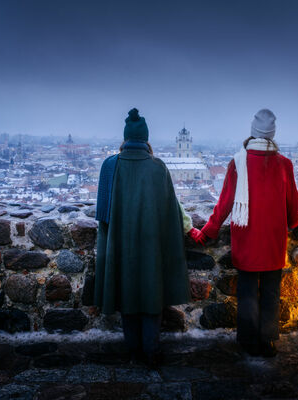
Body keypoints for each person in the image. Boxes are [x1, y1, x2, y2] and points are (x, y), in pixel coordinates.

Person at [192, 109, 298, 357]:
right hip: (273, 240)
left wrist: (206, 233)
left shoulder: (237, 162)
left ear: (253, 133)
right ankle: (267, 341)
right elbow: (292, 204)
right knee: (271, 293)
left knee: (248, 292)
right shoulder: (284, 164)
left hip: (247, 239)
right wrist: (295, 222)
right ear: (272, 135)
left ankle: (248, 340)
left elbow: (225, 204)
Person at [94, 108, 192, 366]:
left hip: (119, 245)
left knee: (126, 296)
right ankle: (151, 350)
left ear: (126, 138)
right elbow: (171, 210)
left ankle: (134, 350)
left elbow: (103, 215)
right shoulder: (158, 168)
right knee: (151, 296)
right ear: (146, 139)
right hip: (152, 246)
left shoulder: (109, 166)